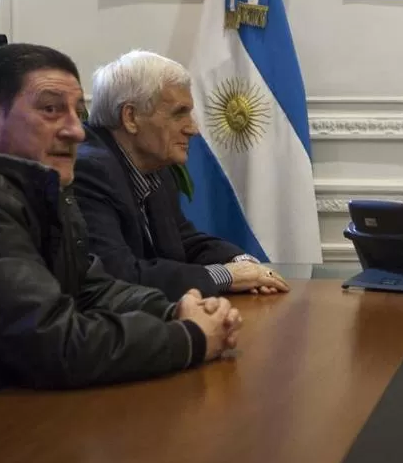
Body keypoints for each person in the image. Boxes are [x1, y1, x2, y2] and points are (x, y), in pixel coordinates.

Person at [0, 43, 241, 396]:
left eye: (78, 111)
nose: (77, 130)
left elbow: (92, 288)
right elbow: (53, 343)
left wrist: (177, 310)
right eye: (51, 109)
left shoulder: (48, 185)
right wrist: (190, 337)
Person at [73, 51, 289, 301]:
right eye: (179, 113)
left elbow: (184, 241)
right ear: (130, 117)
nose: (193, 128)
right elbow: (118, 275)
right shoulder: (89, 170)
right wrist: (226, 276)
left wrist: (241, 263)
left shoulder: (153, 165)